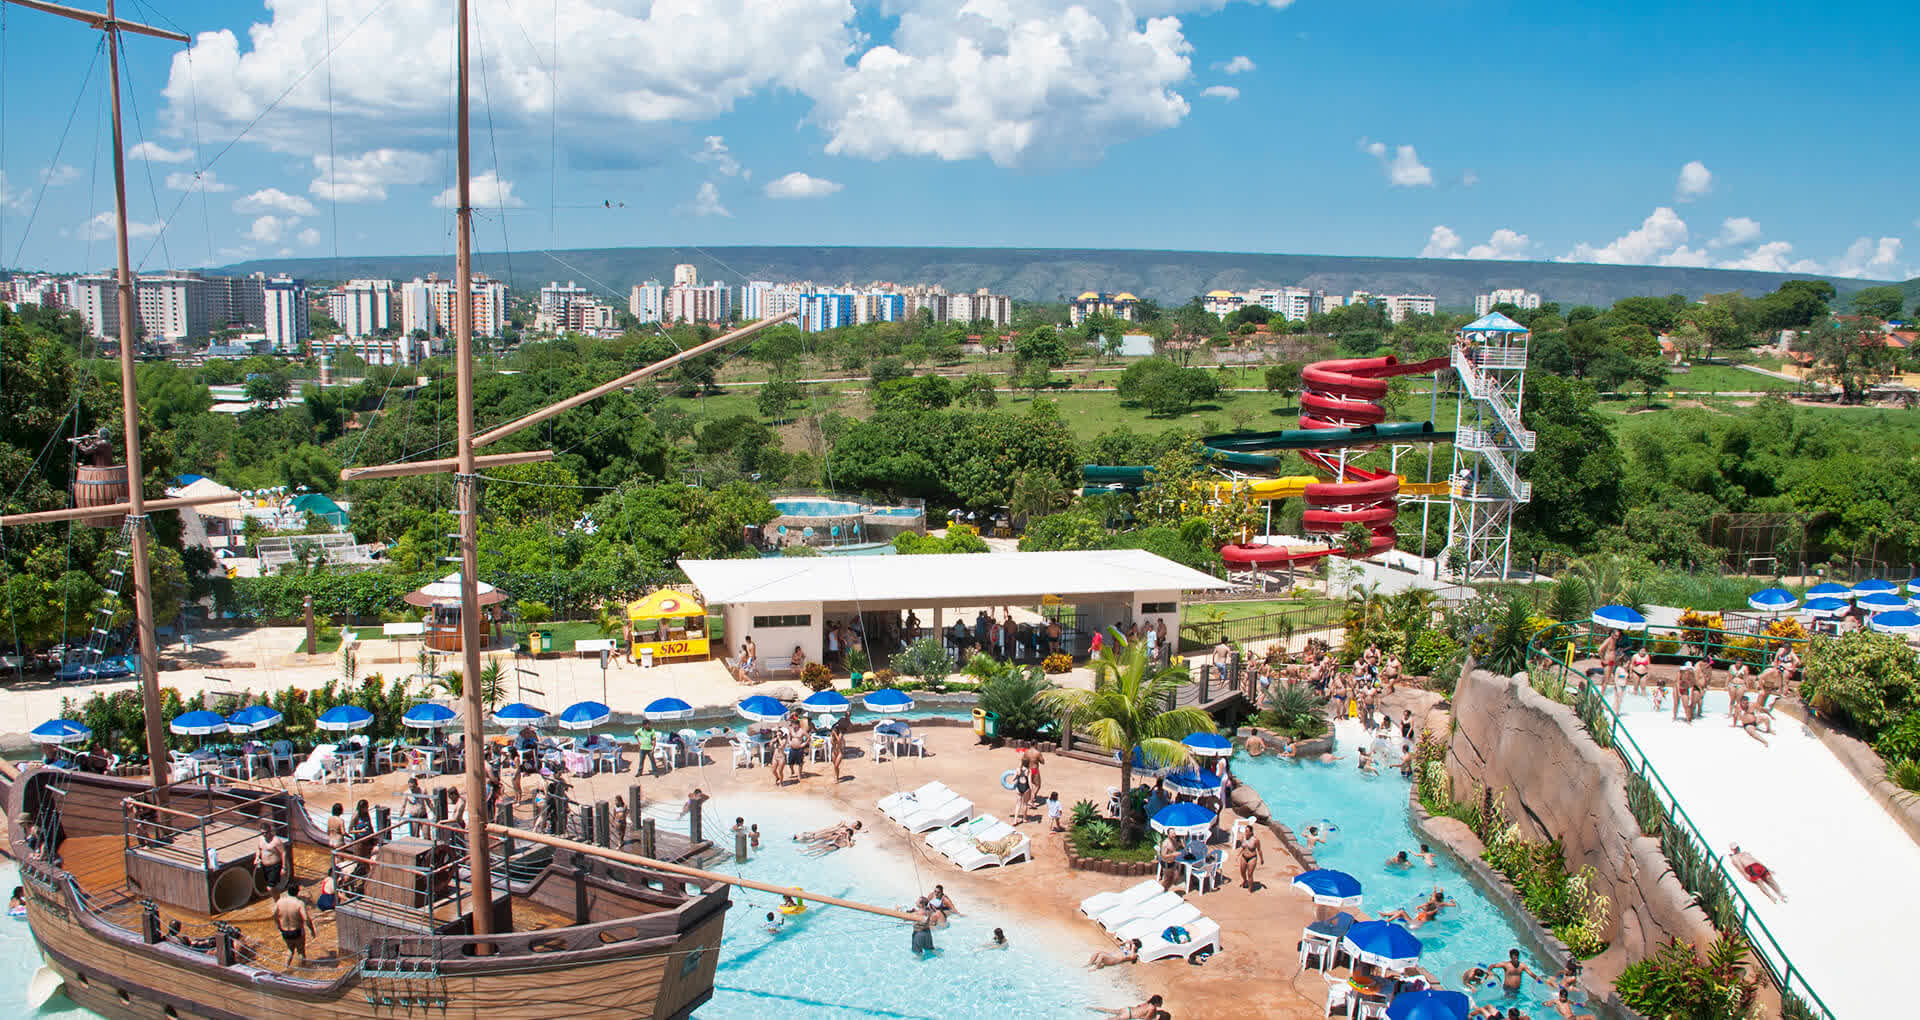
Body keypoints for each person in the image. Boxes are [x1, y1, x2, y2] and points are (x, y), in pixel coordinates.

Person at [274, 880, 315, 965]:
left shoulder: (280, 902)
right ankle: (303, 971)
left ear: (288, 891)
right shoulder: (299, 903)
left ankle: (286, 968)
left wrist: (279, 926)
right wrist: (312, 930)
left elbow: (275, 916)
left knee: (290, 950)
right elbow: (306, 918)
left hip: (284, 931)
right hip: (297, 931)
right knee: (301, 951)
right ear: (297, 892)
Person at [253, 821, 286, 892]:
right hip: (265, 866)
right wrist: (257, 857)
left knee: (270, 887)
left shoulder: (276, 841)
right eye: (262, 833)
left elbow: (283, 852)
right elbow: (259, 848)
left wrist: (284, 867)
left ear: (270, 831)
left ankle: (277, 901)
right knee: (271, 887)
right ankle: (277, 900)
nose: (264, 834)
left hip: (275, 866)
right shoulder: (260, 838)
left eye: (266, 832)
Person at [1092, 994, 1164, 1019]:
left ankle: (1092, 1008)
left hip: (1127, 1009)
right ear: (1156, 1003)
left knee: (1110, 1010)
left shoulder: (1148, 1003)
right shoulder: (1152, 1008)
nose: (1161, 1003)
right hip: (1128, 1015)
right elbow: (1146, 1019)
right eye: (1161, 1002)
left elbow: (1138, 1006)